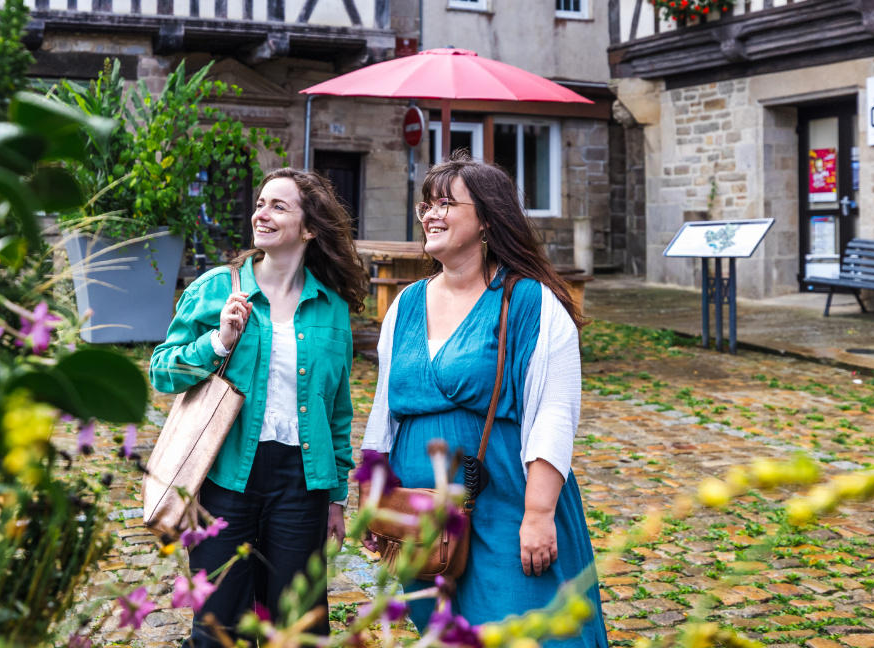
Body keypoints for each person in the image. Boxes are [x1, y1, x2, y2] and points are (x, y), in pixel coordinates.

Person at [360, 151, 607, 645]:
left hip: (505, 499)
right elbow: (383, 411)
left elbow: (556, 413)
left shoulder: (530, 302)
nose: (431, 214)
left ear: (488, 220)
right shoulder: (405, 303)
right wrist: (373, 493)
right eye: (426, 205)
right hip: (420, 507)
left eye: (446, 204)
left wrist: (538, 514)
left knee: (526, 627)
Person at [150, 168, 368, 648]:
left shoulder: (330, 307)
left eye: (277, 206)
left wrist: (335, 497)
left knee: (295, 625)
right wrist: (216, 342)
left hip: (302, 485)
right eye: (261, 203)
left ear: (309, 229)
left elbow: (337, 410)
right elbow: (161, 371)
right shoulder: (215, 289)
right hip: (226, 477)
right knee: (217, 624)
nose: (260, 214)